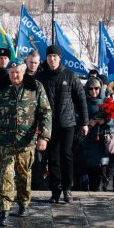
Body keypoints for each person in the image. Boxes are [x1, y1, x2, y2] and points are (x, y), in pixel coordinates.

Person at [0, 58, 51, 226]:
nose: (14, 76)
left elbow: (45, 112)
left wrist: (44, 137)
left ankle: (24, 203)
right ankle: (4, 209)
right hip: (4, 140)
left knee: (24, 174)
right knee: (6, 174)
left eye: (17, 72)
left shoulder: (35, 87)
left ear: (23, 72)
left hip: (27, 141)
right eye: (11, 73)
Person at [36, 44, 89, 204]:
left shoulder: (70, 75)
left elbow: (81, 99)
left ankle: (67, 188)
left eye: (55, 56)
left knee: (66, 155)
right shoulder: (42, 77)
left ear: (59, 58)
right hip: (49, 124)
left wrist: (84, 122)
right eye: (49, 56)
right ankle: (55, 190)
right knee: (53, 158)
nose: (52, 59)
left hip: (67, 122)